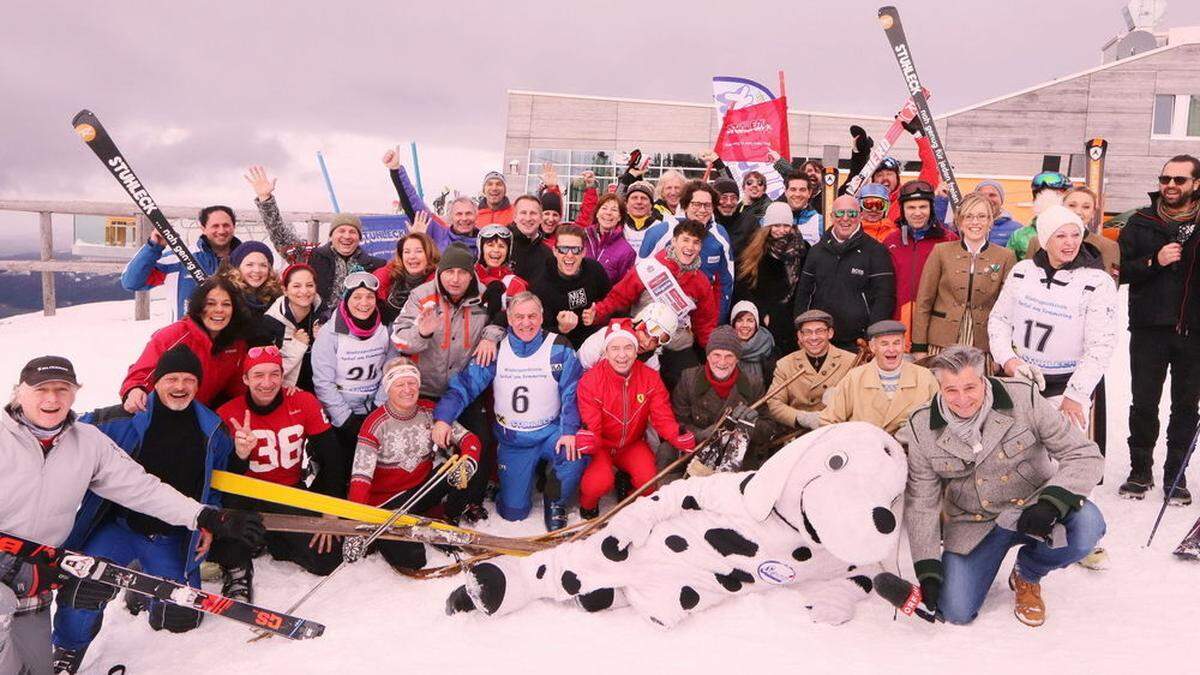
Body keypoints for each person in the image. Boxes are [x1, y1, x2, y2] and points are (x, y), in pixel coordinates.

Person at [1, 356, 263, 675]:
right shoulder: (115, 420)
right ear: (19, 392)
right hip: (18, 559)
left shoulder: (87, 442)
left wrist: (206, 517)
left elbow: (142, 488)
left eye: (62, 389)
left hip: (34, 575)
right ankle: (68, 648)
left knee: (177, 618)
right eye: (41, 389)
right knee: (68, 594)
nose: (52, 398)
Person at [903, 345, 1105, 627]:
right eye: (951, 390)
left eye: (970, 387)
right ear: (939, 386)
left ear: (983, 378)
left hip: (1035, 509)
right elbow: (921, 503)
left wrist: (1051, 502)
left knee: (1088, 527)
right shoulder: (921, 426)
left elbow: (1084, 454)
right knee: (955, 611)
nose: (962, 400)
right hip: (975, 522)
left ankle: (1028, 573)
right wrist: (928, 569)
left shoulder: (1024, 397)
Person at [432, 293, 585, 531]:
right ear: (510, 320)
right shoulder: (496, 350)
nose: (526, 323)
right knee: (513, 513)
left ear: (542, 317)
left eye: (532, 316)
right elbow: (464, 386)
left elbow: (571, 393)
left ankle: (556, 500)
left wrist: (569, 431)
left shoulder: (559, 347)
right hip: (514, 440)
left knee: (576, 449)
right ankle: (513, 486)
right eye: (519, 317)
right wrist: (443, 418)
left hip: (550, 433)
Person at [210, 346, 344, 601]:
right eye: (258, 375)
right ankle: (239, 566)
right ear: (245, 379)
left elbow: (332, 458)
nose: (267, 383)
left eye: (274, 374)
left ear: (283, 376)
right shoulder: (228, 413)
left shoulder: (303, 401)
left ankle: (270, 539)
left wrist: (330, 508)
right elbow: (219, 476)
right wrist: (240, 455)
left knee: (327, 558)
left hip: (287, 492)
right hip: (244, 497)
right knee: (222, 540)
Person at [989, 205, 1117, 446]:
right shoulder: (1023, 271)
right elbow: (1000, 320)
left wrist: (1075, 394)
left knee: (1063, 462)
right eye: (1061, 236)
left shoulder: (1097, 282)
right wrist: (1007, 360)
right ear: (1045, 240)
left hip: (1064, 386)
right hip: (1021, 382)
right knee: (1014, 458)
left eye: (1075, 235)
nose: (1070, 243)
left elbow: (1102, 345)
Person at [392, 244, 502, 523]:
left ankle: (470, 501)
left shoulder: (483, 297)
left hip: (463, 387)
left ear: (471, 274)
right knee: (423, 448)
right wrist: (421, 332)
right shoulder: (421, 296)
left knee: (481, 440)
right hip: (425, 388)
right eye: (449, 272)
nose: (454, 279)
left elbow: (508, 316)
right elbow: (399, 338)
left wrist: (491, 334)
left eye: (461, 273)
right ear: (440, 272)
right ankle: (418, 501)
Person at [1117, 155, 1200, 501]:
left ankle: (1176, 475)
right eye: (1166, 178)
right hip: (1149, 327)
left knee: (1185, 406)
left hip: (1194, 332)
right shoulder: (1140, 221)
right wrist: (1154, 261)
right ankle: (1140, 471)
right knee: (1144, 403)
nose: (1170, 185)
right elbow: (1118, 271)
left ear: (1196, 184)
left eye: (1180, 180)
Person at [346, 358, 482, 569]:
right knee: (414, 559)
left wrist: (469, 461)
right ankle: (388, 533)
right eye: (400, 384)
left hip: (422, 490)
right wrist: (356, 526)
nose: (408, 390)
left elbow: (469, 440)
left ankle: (442, 518)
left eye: (412, 383)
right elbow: (360, 478)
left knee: (462, 467)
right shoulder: (375, 424)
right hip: (389, 504)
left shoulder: (430, 411)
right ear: (388, 389)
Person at [575, 320, 696, 518]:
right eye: (615, 348)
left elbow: (661, 416)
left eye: (628, 348)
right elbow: (591, 424)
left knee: (648, 483)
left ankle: (631, 500)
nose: (622, 355)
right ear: (606, 351)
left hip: (631, 444)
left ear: (635, 350)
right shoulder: (591, 381)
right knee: (598, 482)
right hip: (603, 445)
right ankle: (588, 505)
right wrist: (588, 440)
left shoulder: (649, 377)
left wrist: (677, 435)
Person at [585, 219, 719, 389]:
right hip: (643, 340)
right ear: (674, 241)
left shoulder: (701, 283)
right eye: (686, 240)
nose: (690, 247)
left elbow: (705, 323)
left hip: (676, 345)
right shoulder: (649, 268)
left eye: (696, 242)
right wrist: (597, 313)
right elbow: (618, 297)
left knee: (691, 385)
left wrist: (713, 351)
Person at [248, 167, 387, 323]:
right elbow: (281, 236)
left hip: (358, 331)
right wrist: (266, 200)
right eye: (341, 230)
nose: (347, 236)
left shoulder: (375, 265)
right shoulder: (311, 256)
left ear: (359, 238)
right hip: (314, 328)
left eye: (352, 232)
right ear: (331, 235)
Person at [311, 272, 397, 492]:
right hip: (341, 414)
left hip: (374, 408)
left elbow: (391, 368)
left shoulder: (386, 326)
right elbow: (323, 382)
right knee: (340, 466)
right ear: (346, 300)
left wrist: (378, 407)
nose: (364, 303)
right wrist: (346, 420)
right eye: (357, 297)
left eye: (369, 297)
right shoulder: (330, 333)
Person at [120, 277, 249, 414]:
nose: (219, 310)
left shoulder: (236, 345)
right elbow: (139, 376)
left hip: (201, 417)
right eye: (210, 303)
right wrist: (135, 390)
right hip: (161, 414)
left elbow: (237, 390)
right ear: (199, 307)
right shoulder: (174, 335)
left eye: (226, 304)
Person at [911, 193, 1016, 361]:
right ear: (959, 221)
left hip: (983, 344)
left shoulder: (1006, 256)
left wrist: (1001, 354)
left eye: (982, 216)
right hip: (941, 342)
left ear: (990, 221)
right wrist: (919, 346)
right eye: (969, 216)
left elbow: (1008, 310)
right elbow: (924, 301)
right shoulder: (941, 251)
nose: (975, 222)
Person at [794, 195, 896, 351]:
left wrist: (873, 336)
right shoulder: (816, 251)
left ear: (860, 215)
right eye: (840, 213)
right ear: (832, 216)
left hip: (858, 343)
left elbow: (884, 298)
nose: (846, 219)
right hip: (819, 341)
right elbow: (804, 294)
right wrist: (801, 330)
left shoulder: (876, 251)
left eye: (852, 214)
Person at [670, 326, 778, 470]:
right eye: (716, 355)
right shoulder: (689, 379)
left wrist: (753, 424)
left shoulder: (753, 383)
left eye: (729, 356)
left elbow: (769, 429)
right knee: (666, 452)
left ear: (737, 359)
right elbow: (678, 422)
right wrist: (701, 434)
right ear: (707, 355)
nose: (722, 362)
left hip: (737, 456)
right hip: (698, 453)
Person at [812, 320, 938, 436]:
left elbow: (940, 421)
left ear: (904, 345)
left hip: (911, 455)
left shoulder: (925, 377)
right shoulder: (854, 378)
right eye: (884, 344)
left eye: (897, 343)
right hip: (865, 454)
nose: (891, 349)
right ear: (873, 347)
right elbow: (828, 421)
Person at [120, 204, 241, 320]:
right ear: (203, 228)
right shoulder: (177, 259)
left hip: (234, 338)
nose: (221, 230)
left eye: (226, 225)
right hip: (186, 338)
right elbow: (132, 282)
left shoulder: (247, 262)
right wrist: (153, 247)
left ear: (234, 227)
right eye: (215, 226)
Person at [639, 182, 736, 321]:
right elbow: (639, 273)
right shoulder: (662, 232)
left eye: (707, 205)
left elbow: (726, 281)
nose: (702, 210)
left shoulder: (720, 235)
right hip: (662, 314)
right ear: (685, 205)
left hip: (702, 313)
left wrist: (718, 318)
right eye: (696, 204)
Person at [883, 180, 958, 344]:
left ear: (931, 208)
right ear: (902, 210)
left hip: (935, 332)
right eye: (911, 207)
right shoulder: (891, 241)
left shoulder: (948, 240)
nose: (917, 213)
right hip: (897, 331)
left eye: (923, 207)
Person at [734, 201, 809, 355]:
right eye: (776, 225)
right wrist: (762, 314)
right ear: (768, 226)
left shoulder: (803, 249)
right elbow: (743, 286)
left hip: (794, 318)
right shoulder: (754, 250)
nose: (781, 230)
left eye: (785, 225)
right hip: (766, 319)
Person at [764, 309, 856, 429]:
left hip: (837, 432)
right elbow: (774, 402)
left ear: (830, 333)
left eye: (819, 331)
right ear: (800, 336)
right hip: (797, 434)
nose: (813, 337)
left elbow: (862, 401)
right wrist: (801, 418)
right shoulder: (785, 364)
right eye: (807, 332)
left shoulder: (851, 361)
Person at [530, 224, 612, 349]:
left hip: (594, 342)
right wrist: (560, 328)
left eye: (576, 250)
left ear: (584, 252)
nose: (569, 255)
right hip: (559, 347)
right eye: (563, 249)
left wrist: (600, 314)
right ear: (555, 251)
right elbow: (535, 331)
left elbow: (613, 304)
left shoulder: (594, 270)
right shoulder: (540, 282)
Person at [383, 148, 478, 255]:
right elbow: (413, 202)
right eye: (459, 214)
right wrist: (396, 170)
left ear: (476, 216)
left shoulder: (484, 242)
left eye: (468, 213)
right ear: (451, 217)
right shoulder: (438, 234)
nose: (464, 218)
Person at [1028, 186, 1120, 281]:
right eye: (1072, 205)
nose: (1078, 212)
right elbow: (1026, 279)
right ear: (1062, 207)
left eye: (1086, 207)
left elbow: (1111, 286)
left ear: (1093, 213)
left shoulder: (1108, 246)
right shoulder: (1037, 241)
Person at [262, 263, 322, 391]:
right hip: (286, 391)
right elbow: (266, 372)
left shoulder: (323, 316)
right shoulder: (271, 322)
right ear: (285, 290)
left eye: (310, 285)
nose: (304, 291)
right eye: (296, 286)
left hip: (319, 390)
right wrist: (297, 346)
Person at [576, 301, 676, 371]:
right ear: (637, 323)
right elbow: (576, 370)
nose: (646, 343)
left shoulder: (651, 363)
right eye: (646, 333)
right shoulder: (602, 338)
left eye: (655, 341)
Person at [219, 240, 282, 345]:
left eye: (263, 265)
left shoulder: (275, 299)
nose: (257, 270)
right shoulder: (226, 297)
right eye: (249, 264)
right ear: (237, 268)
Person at [374, 231, 438, 326]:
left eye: (419, 251)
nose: (412, 256)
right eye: (407, 252)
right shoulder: (390, 277)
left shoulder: (438, 284)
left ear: (429, 254)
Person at [1007, 171, 1073, 261]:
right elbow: (1009, 269)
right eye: (1041, 196)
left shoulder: (1078, 233)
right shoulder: (1020, 236)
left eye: (1058, 195)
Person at [474, 224, 530, 319]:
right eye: (490, 245)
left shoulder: (515, 284)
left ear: (508, 251)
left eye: (501, 246)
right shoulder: (469, 277)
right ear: (481, 248)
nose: (496, 250)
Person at [583, 193, 636, 284]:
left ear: (620, 217)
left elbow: (624, 287)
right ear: (597, 214)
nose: (608, 213)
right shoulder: (583, 239)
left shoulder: (627, 251)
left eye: (614, 210)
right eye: (604, 208)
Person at [730, 301, 776, 388]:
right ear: (733, 324)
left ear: (756, 324)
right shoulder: (723, 346)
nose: (745, 325)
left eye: (750, 320)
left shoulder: (768, 348)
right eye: (739, 320)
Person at [508, 194, 554, 282]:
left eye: (533, 213)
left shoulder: (548, 255)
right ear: (514, 217)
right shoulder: (503, 246)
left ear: (541, 218)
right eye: (523, 213)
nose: (528, 218)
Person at [618, 180, 665, 254]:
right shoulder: (618, 225)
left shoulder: (660, 227)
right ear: (626, 204)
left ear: (651, 205)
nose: (639, 202)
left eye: (644, 198)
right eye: (634, 198)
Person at [974, 180, 1024, 247]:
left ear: (1001, 199)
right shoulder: (965, 226)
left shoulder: (1017, 230)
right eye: (981, 195)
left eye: (992, 195)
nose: (987, 199)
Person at [778, 172, 824, 245]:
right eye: (793, 189)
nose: (797, 194)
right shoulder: (774, 220)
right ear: (786, 192)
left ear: (809, 193)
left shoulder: (821, 222)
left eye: (802, 190)